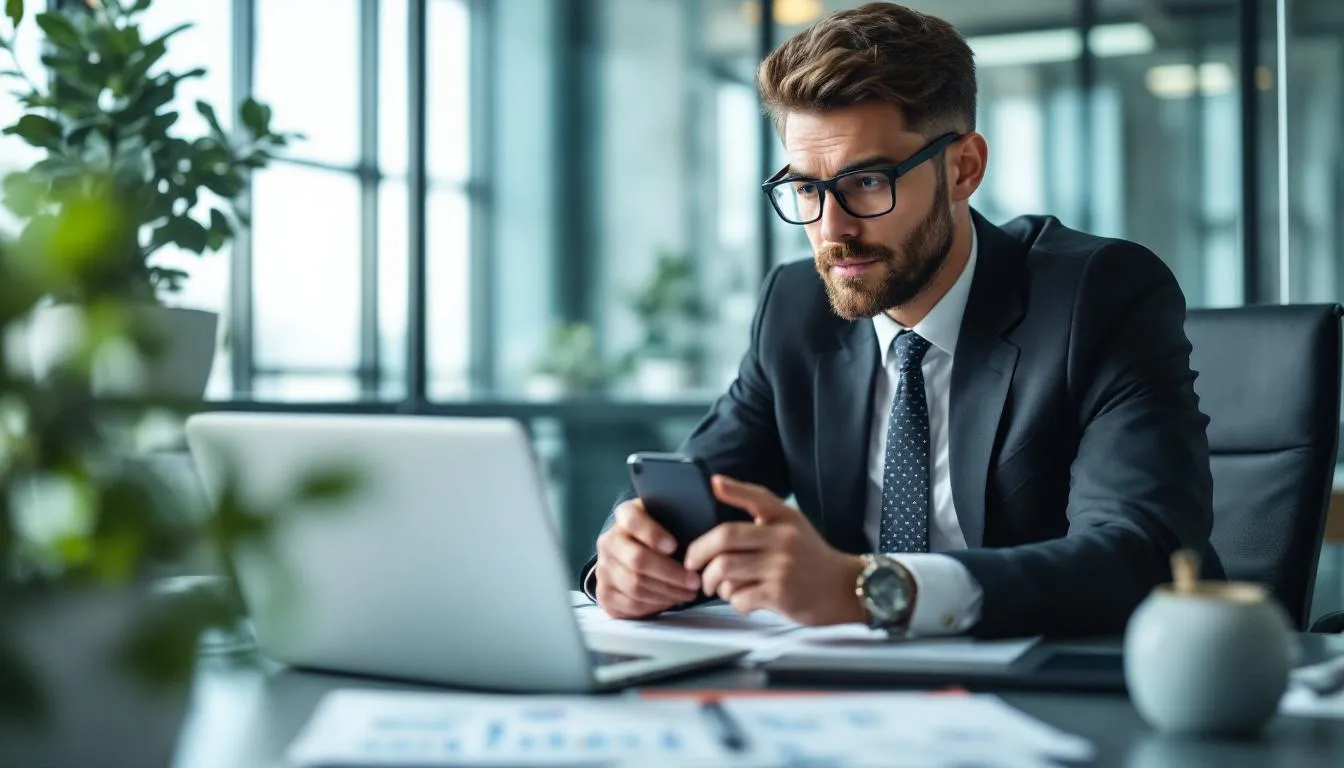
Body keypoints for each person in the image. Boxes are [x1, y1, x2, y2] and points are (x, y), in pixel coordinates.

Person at [580, 2, 1222, 639]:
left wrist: (870, 590)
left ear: (963, 168)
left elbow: (1143, 553)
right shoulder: (796, 309)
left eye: (866, 181)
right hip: (855, 696)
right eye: (807, 188)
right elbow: (698, 492)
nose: (832, 230)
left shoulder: (1097, 297)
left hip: (1055, 687)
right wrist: (629, 555)